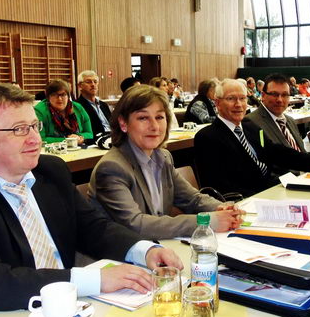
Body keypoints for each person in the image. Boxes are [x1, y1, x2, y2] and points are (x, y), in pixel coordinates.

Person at [0, 83, 181, 317]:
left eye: (34, 126)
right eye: (19, 130)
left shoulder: (50, 171)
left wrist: (144, 250)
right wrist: (94, 279)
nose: (35, 139)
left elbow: (92, 227)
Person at [89, 85, 243, 239]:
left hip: (159, 246)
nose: (154, 126)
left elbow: (192, 199)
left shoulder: (163, 157)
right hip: (117, 256)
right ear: (123, 124)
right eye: (143, 118)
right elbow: (135, 225)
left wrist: (222, 207)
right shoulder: (111, 168)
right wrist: (206, 221)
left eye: (159, 117)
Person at [194, 79, 310, 198]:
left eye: (242, 98)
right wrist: (266, 197)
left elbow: (278, 153)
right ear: (217, 103)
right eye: (231, 99)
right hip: (249, 200)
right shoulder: (207, 137)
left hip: (273, 190)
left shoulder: (249, 127)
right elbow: (219, 185)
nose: (238, 104)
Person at [246, 74, 305, 152]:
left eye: (284, 95)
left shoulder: (290, 120)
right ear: (263, 96)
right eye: (274, 94)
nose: (279, 100)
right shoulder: (251, 123)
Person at [35, 79, 93, 144]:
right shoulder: (39, 111)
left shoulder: (78, 108)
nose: (59, 99)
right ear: (48, 97)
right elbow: (41, 139)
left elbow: (90, 134)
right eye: (54, 95)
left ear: (68, 96)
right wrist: (67, 140)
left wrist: (79, 137)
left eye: (63, 95)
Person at [76, 70, 112, 137]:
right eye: (88, 82)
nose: (93, 85)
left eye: (95, 82)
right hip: (96, 141)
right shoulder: (77, 106)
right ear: (80, 86)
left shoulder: (104, 105)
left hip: (113, 138)